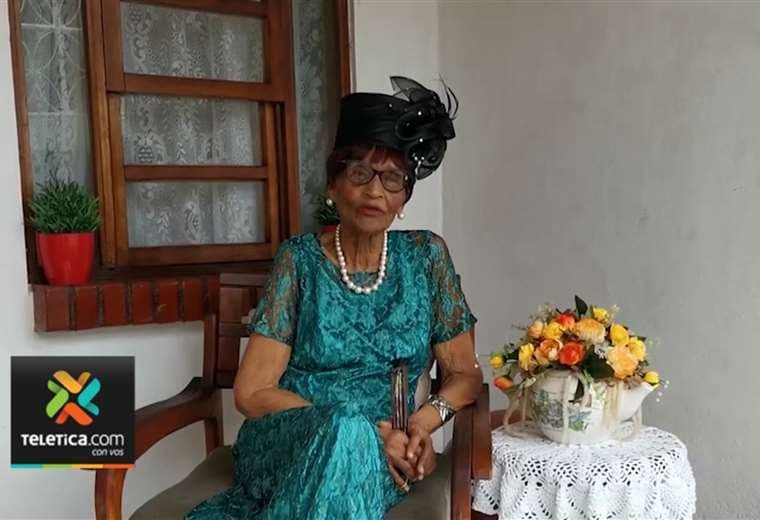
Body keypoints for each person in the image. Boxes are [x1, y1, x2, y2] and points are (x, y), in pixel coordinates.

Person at [186, 76, 482, 519]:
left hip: (386, 451)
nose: (375, 191)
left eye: (392, 179)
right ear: (333, 183)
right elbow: (252, 391)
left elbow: (465, 374)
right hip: (290, 441)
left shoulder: (426, 257)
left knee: (349, 449)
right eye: (360, 172)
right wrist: (360, 429)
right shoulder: (299, 260)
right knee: (345, 429)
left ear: (404, 198)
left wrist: (421, 423)